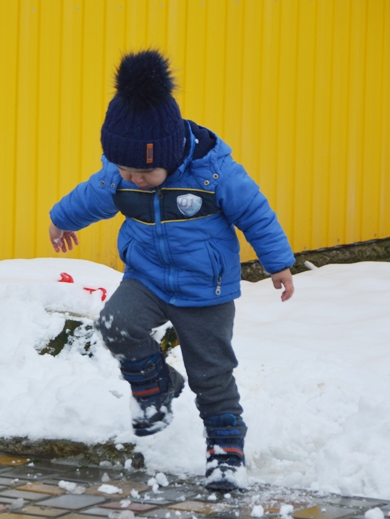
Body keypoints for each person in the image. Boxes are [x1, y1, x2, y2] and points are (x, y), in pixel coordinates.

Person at [47, 50, 295, 491]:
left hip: (207, 291)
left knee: (211, 376)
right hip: (147, 279)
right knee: (115, 324)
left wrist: (278, 263)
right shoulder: (120, 177)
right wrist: (62, 219)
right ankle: (155, 387)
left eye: (144, 171)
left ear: (171, 151)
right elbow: (90, 196)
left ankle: (225, 452)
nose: (134, 179)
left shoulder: (214, 173)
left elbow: (256, 213)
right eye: (124, 169)